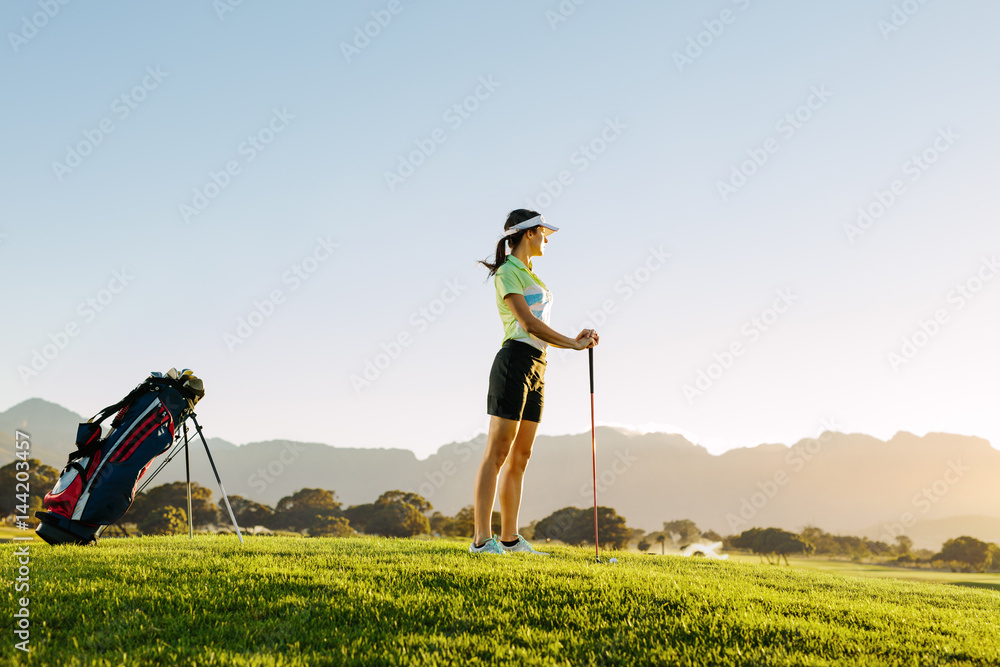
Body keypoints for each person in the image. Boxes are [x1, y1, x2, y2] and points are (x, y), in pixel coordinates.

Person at [470, 209, 599, 555]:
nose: (546, 240)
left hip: (538, 366)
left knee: (522, 454)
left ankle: (510, 539)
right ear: (529, 233)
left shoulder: (531, 274)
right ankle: (482, 540)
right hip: (514, 360)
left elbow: (540, 328)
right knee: (498, 451)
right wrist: (572, 343)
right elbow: (528, 324)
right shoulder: (508, 273)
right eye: (544, 234)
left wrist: (574, 339)